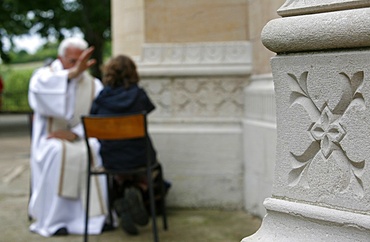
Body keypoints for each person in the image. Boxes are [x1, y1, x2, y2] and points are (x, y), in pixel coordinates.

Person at [28, 37, 109, 237]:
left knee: (96, 149)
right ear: (60, 58)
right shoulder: (44, 76)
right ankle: (56, 220)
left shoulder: (93, 84)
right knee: (57, 152)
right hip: (50, 138)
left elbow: (98, 115)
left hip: (81, 136)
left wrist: (76, 133)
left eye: (81, 61)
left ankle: (94, 218)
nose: (78, 66)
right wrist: (71, 74)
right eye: (73, 61)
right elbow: (38, 94)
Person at [90, 55, 169, 235]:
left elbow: (92, 117)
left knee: (119, 159)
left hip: (111, 159)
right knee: (148, 163)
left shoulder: (102, 97)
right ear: (133, 73)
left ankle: (122, 195)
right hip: (139, 156)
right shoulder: (138, 95)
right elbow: (148, 110)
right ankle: (139, 188)